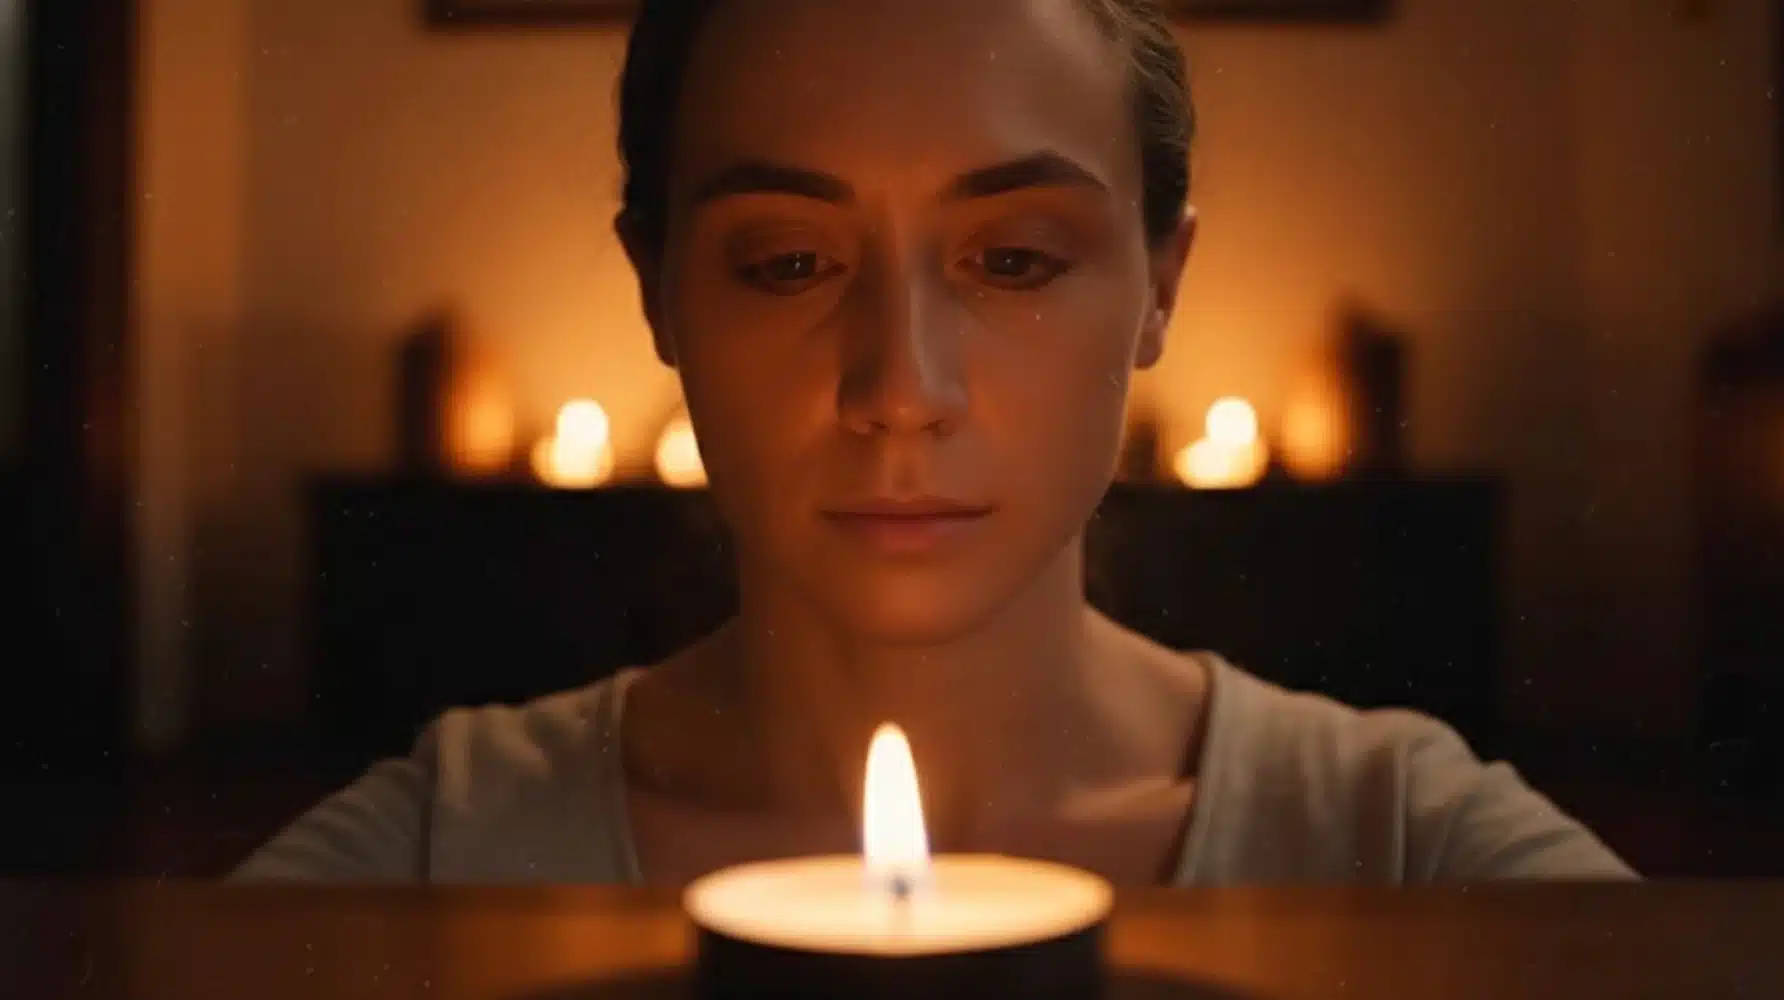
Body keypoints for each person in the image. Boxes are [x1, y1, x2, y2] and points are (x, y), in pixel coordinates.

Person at [233, 0, 1633, 885]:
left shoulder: (1398, 842)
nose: (900, 388)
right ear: (658, 290)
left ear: (1161, 287)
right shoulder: (439, 854)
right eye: (787, 263)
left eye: (1014, 260)